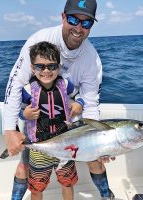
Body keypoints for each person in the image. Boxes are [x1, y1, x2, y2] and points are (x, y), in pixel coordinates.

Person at [4, 0, 115, 199]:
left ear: (92, 25)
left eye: (86, 23)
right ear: (63, 17)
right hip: (37, 125)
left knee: (95, 160)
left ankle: (107, 196)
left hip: (68, 126)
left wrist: (99, 144)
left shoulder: (92, 59)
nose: (78, 28)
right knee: (23, 167)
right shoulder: (40, 39)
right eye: (73, 19)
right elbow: (15, 84)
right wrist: (10, 129)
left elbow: (90, 102)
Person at [20, 41, 83, 200]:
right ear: (33, 68)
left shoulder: (66, 84)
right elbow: (18, 111)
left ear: (59, 67)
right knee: (36, 188)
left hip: (65, 146)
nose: (46, 70)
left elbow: (79, 95)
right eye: (40, 66)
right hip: (39, 148)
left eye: (52, 66)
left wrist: (79, 103)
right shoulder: (27, 90)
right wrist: (24, 114)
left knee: (67, 183)